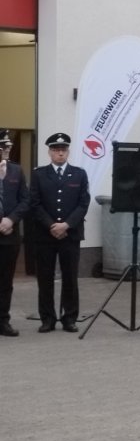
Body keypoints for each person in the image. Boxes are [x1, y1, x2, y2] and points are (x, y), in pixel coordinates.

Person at [29, 132, 91, 333]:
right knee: (45, 278)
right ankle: (47, 318)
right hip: (45, 235)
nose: (60, 153)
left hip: (70, 235)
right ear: (49, 152)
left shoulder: (79, 174)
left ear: (68, 151)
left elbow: (83, 204)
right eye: (56, 150)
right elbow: (35, 204)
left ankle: (69, 318)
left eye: (63, 150)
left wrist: (66, 225)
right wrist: (51, 225)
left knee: (70, 277)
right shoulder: (39, 174)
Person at [0, 130, 29, 337]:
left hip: (9, 236)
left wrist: (11, 219)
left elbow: (25, 200)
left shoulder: (16, 171)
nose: (8, 149)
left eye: (8, 146)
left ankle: (3, 321)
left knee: (5, 281)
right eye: (3, 146)